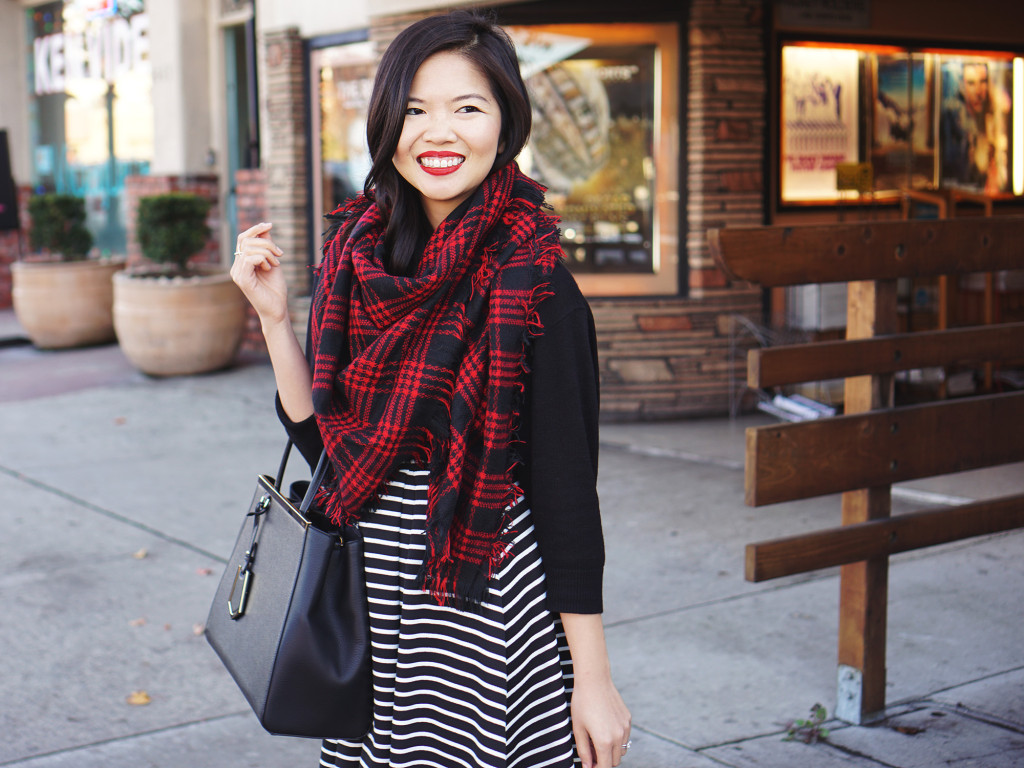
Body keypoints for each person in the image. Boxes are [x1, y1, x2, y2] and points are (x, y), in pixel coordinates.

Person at [231, 11, 631, 768]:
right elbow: (327, 444)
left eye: (467, 108)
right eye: (414, 110)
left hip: (482, 609)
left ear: (506, 123)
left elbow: (568, 495)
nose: (437, 134)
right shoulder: (357, 259)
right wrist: (277, 318)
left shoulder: (537, 286)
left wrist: (594, 679)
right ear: (386, 124)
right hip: (373, 604)